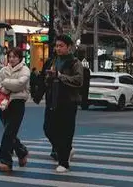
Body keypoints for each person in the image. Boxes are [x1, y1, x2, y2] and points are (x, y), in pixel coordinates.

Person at [42, 34, 84, 173]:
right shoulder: (53, 61)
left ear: (69, 47)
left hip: (68, 101)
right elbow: (45, 79)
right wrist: (48, 78)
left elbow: (79, 80)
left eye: (61, 46)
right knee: (48, 129)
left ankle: (63, 162)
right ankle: (66, 150)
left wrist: (60, 76)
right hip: (52, 100)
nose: (58, 48)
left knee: (66, 132)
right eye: (56, 46)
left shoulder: (75, 62)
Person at [0, 47, 31, 173]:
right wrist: (5, 87)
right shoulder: (4, 69)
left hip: (17, 103)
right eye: (10, 56)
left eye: (14, 56)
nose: (11, 59)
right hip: (4, 104)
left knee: (8, 133)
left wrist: (5, 84)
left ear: (20, 58)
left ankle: (5, 161)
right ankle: (21, 152)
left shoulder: (25, 70)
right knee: (9, 132)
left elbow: (20, 84)